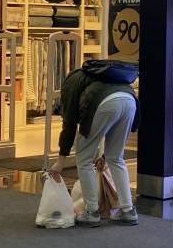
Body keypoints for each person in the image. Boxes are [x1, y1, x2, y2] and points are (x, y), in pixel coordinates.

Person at [49, 60, 140, 226]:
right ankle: (128, 210)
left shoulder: (71, 84)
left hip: (104, 103)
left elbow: (69, 123)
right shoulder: (103, 75)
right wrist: (105, 156)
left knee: (84, 158)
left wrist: (61, 160)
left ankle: (91, 211)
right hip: (130, 100)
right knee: (116, 157)